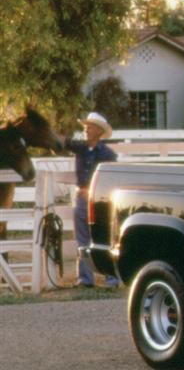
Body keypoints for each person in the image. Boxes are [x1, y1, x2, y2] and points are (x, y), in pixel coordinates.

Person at [61, 112, 119, 288]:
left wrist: (91, 190)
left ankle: (111, 278)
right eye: (86, 126)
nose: (86, 129)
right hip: (82, 200)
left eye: (90, 126)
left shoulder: (108, 154)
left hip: (100, 201)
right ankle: (86, 279)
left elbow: (109, 179)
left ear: (99, 131)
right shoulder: (80, 148)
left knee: (103, 237)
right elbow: (61, 143)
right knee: (82, 239)